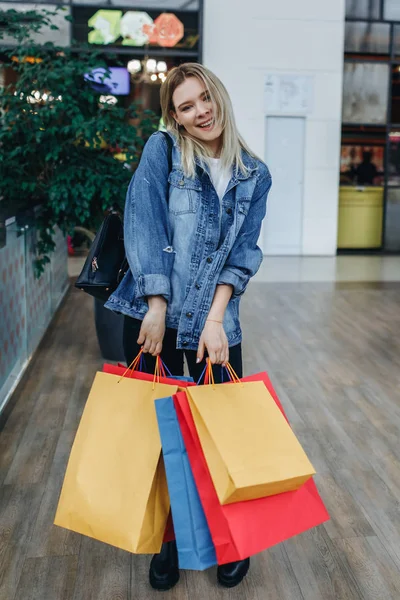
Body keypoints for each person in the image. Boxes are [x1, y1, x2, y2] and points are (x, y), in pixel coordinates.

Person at [105, 62, 272, 590]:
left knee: (219, 438)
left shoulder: (255, 174)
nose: (201, 112)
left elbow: (243, 254)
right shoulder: (164, 153)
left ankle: (227, 539)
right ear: (173, 118)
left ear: (218, 96)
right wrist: (155, 302)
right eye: (186, 106)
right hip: (157, 316)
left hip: (216, 324)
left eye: (205, 99)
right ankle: (169, 540)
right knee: (162, 437)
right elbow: (143, 220)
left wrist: (218, 318)